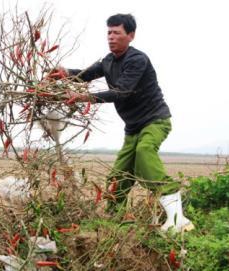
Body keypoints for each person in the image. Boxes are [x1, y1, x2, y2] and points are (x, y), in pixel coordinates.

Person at [58, 14, 194, 232]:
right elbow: (85, 75)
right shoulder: (108, 61)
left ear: (130, 36)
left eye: (117, 33)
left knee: (145, 153)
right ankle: (114, 220)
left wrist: (85, 98)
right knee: (118, 176)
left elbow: (121, 91)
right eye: (109, 33)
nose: (111, 38)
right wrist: (64, 74)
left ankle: (177, 217)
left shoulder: (137, 60)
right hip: (132, 128)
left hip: (155, 121)